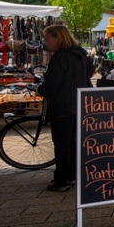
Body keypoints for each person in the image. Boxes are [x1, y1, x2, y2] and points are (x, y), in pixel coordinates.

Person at [37, 24, 92, 192]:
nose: (45, 42)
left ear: (58, 38)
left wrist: (39, 89)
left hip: (62, 107)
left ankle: (62, 180)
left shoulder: (59, 58)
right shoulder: (81, 55)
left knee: (61, 145)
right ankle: (73, 175)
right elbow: (87, 77)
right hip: (79, 106)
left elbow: (52, 86)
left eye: (47, 38)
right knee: (74, 143)